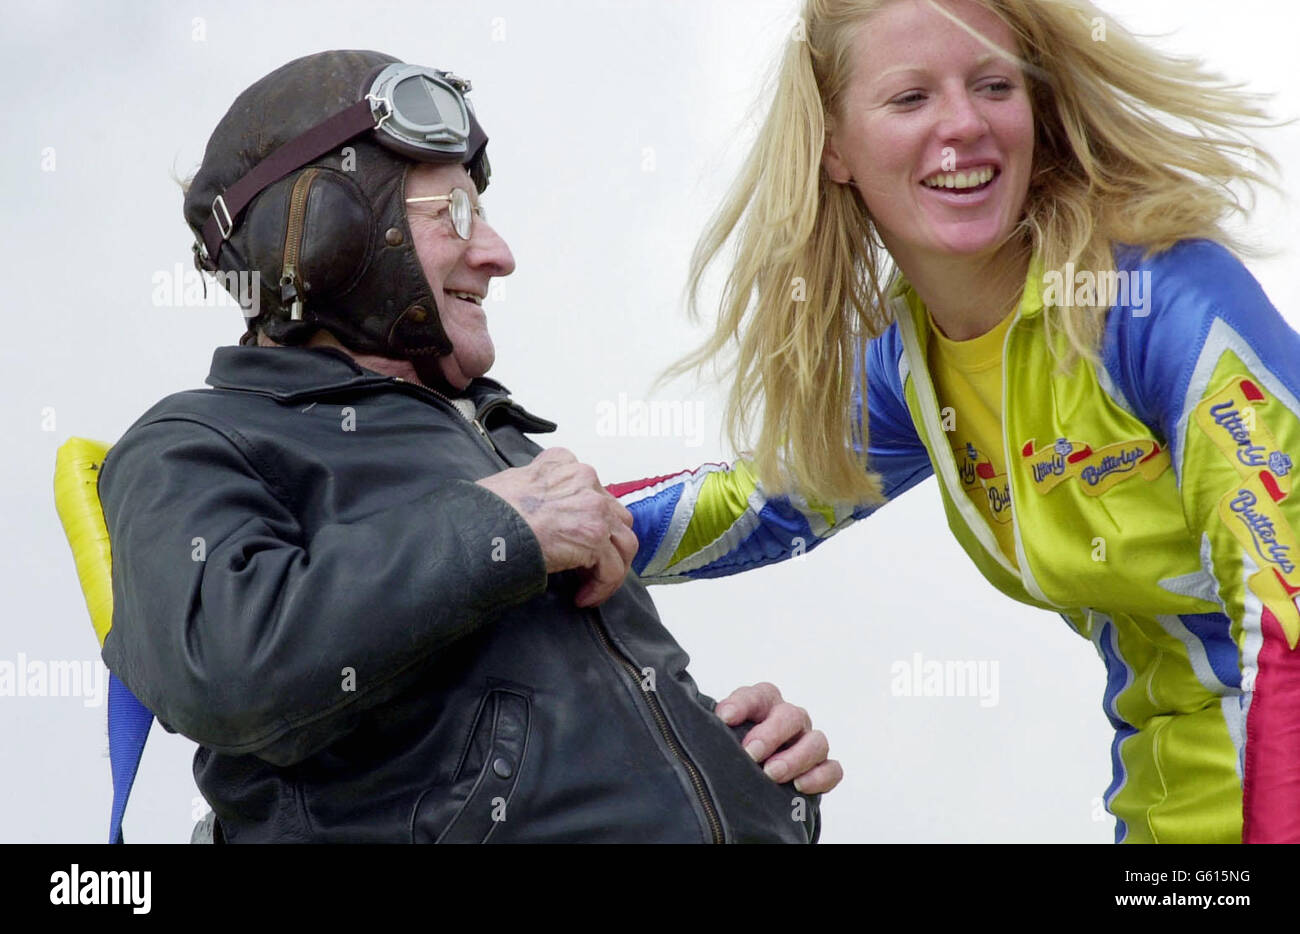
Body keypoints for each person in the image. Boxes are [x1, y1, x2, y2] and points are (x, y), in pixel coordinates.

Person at [96, 50, 840, 844]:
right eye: (452, 215)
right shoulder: (192, 441)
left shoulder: (509, 455)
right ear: (326, 236)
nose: (497, 254)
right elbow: (225, 667)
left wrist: (751, 779)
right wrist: (499, 528)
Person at [613, 0, 1300, 843]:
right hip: (1160, 817)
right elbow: (765, 504)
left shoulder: (1160, 304)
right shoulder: (910, 364)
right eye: (911, 98)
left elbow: (1287, 618)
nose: (964, 124)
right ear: (833, 146)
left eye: (992, 85)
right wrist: (506, 532)